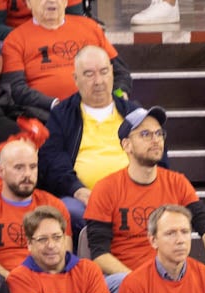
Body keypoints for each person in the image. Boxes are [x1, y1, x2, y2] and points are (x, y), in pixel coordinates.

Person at [86, 107, 205, 293]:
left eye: (159, 134)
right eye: (145, 134)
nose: (155, 140)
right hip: (126, 277)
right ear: (126, 145)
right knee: (128, 284)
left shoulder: (177, 182)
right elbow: (99, 254)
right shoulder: (106, 188)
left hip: (172, 276)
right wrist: (146, 281)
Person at [37, 47, 133, 216]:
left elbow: (155, 157)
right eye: (89, 74)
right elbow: (53, 161)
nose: (98, 81)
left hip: (132, 196)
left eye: (104, 72)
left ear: (112, 72)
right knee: (68, 210)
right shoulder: (62, 115)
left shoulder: (133, 114)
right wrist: (77, 189)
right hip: (82, 200)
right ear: (75, 78)